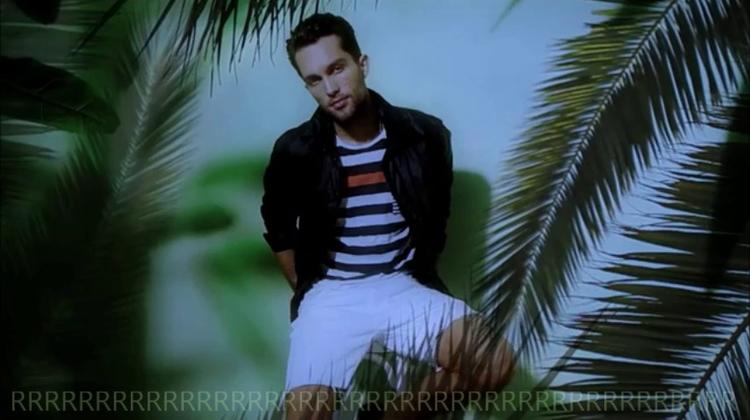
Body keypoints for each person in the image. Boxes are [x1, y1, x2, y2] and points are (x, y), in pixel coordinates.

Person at [260, 13, 515, 420]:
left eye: (337, 69)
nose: (330, 88)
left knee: (494, 362)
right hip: (331, 293)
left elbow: (435, 216)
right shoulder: (296, 149)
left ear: (361, 64)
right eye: (314, 80)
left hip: (402, 286)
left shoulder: (425, 135)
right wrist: (307, 290)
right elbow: (278, 230)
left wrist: (413, 273)